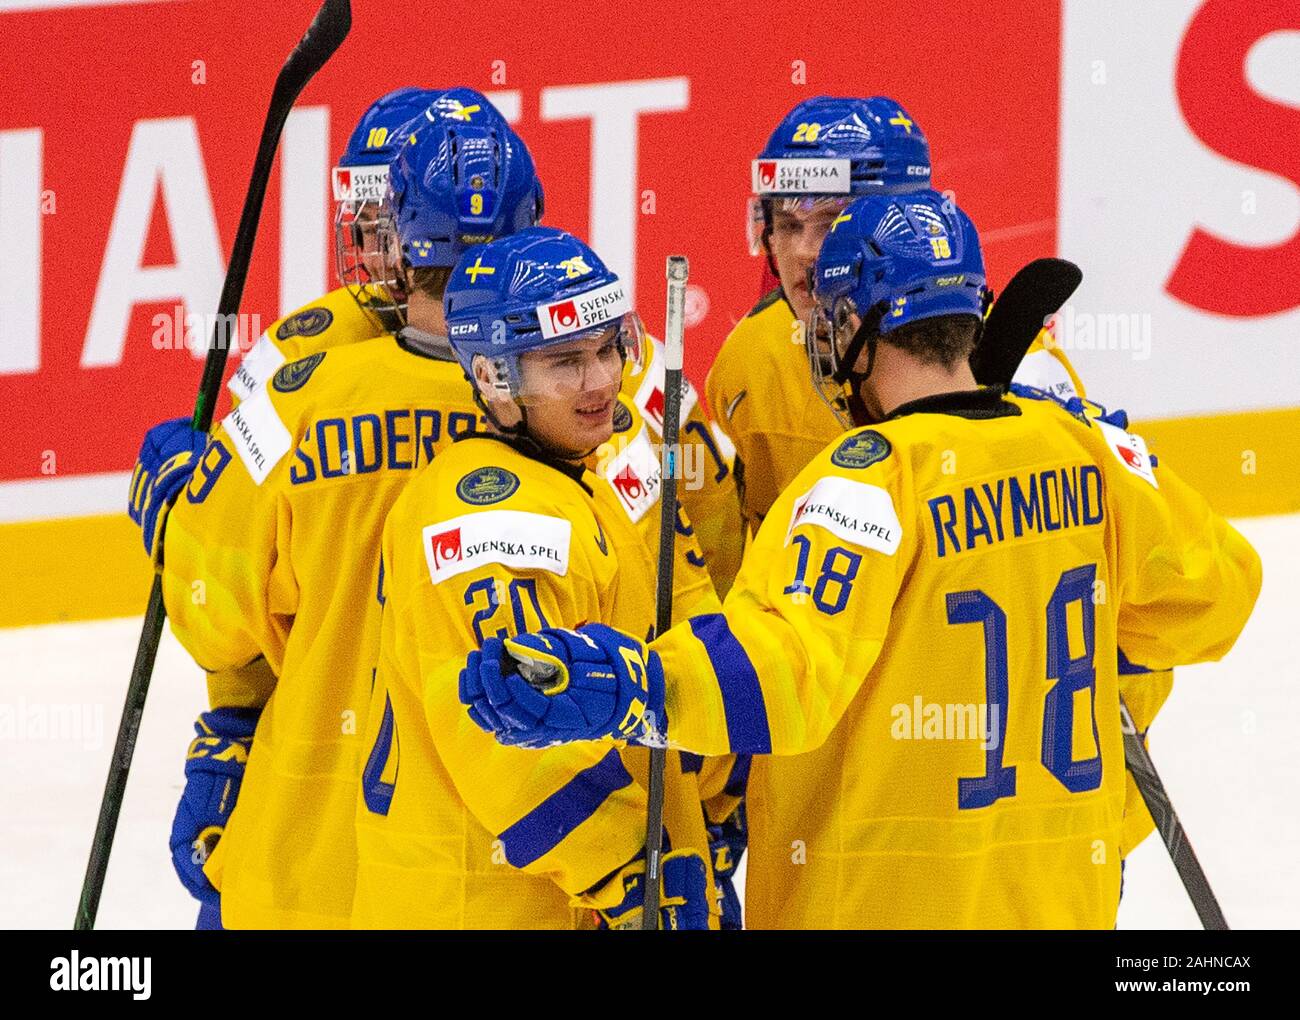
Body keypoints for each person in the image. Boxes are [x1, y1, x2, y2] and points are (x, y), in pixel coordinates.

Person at [459, 190, 1263, 928]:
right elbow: (1218, 596)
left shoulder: (867, 480)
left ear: (852, 334)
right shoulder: (1081, 445)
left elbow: (783, 669)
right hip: (1061, 899)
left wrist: (632, 686)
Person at [126, 91, 542, 928]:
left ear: (403, 234)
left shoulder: (301, 383)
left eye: (378, 219)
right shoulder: (591, 390)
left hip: (305, 862)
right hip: (508, 863)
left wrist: (177, 512)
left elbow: (217, 612)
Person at [350, 227, 721, 929]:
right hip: (480, 907)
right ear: (495, 378)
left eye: (608, 349)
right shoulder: (488, 518)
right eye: (565, 362)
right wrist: (634, 875)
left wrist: (706, 804)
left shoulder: (580, 472)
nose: (602, 379)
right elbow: (514, 735)